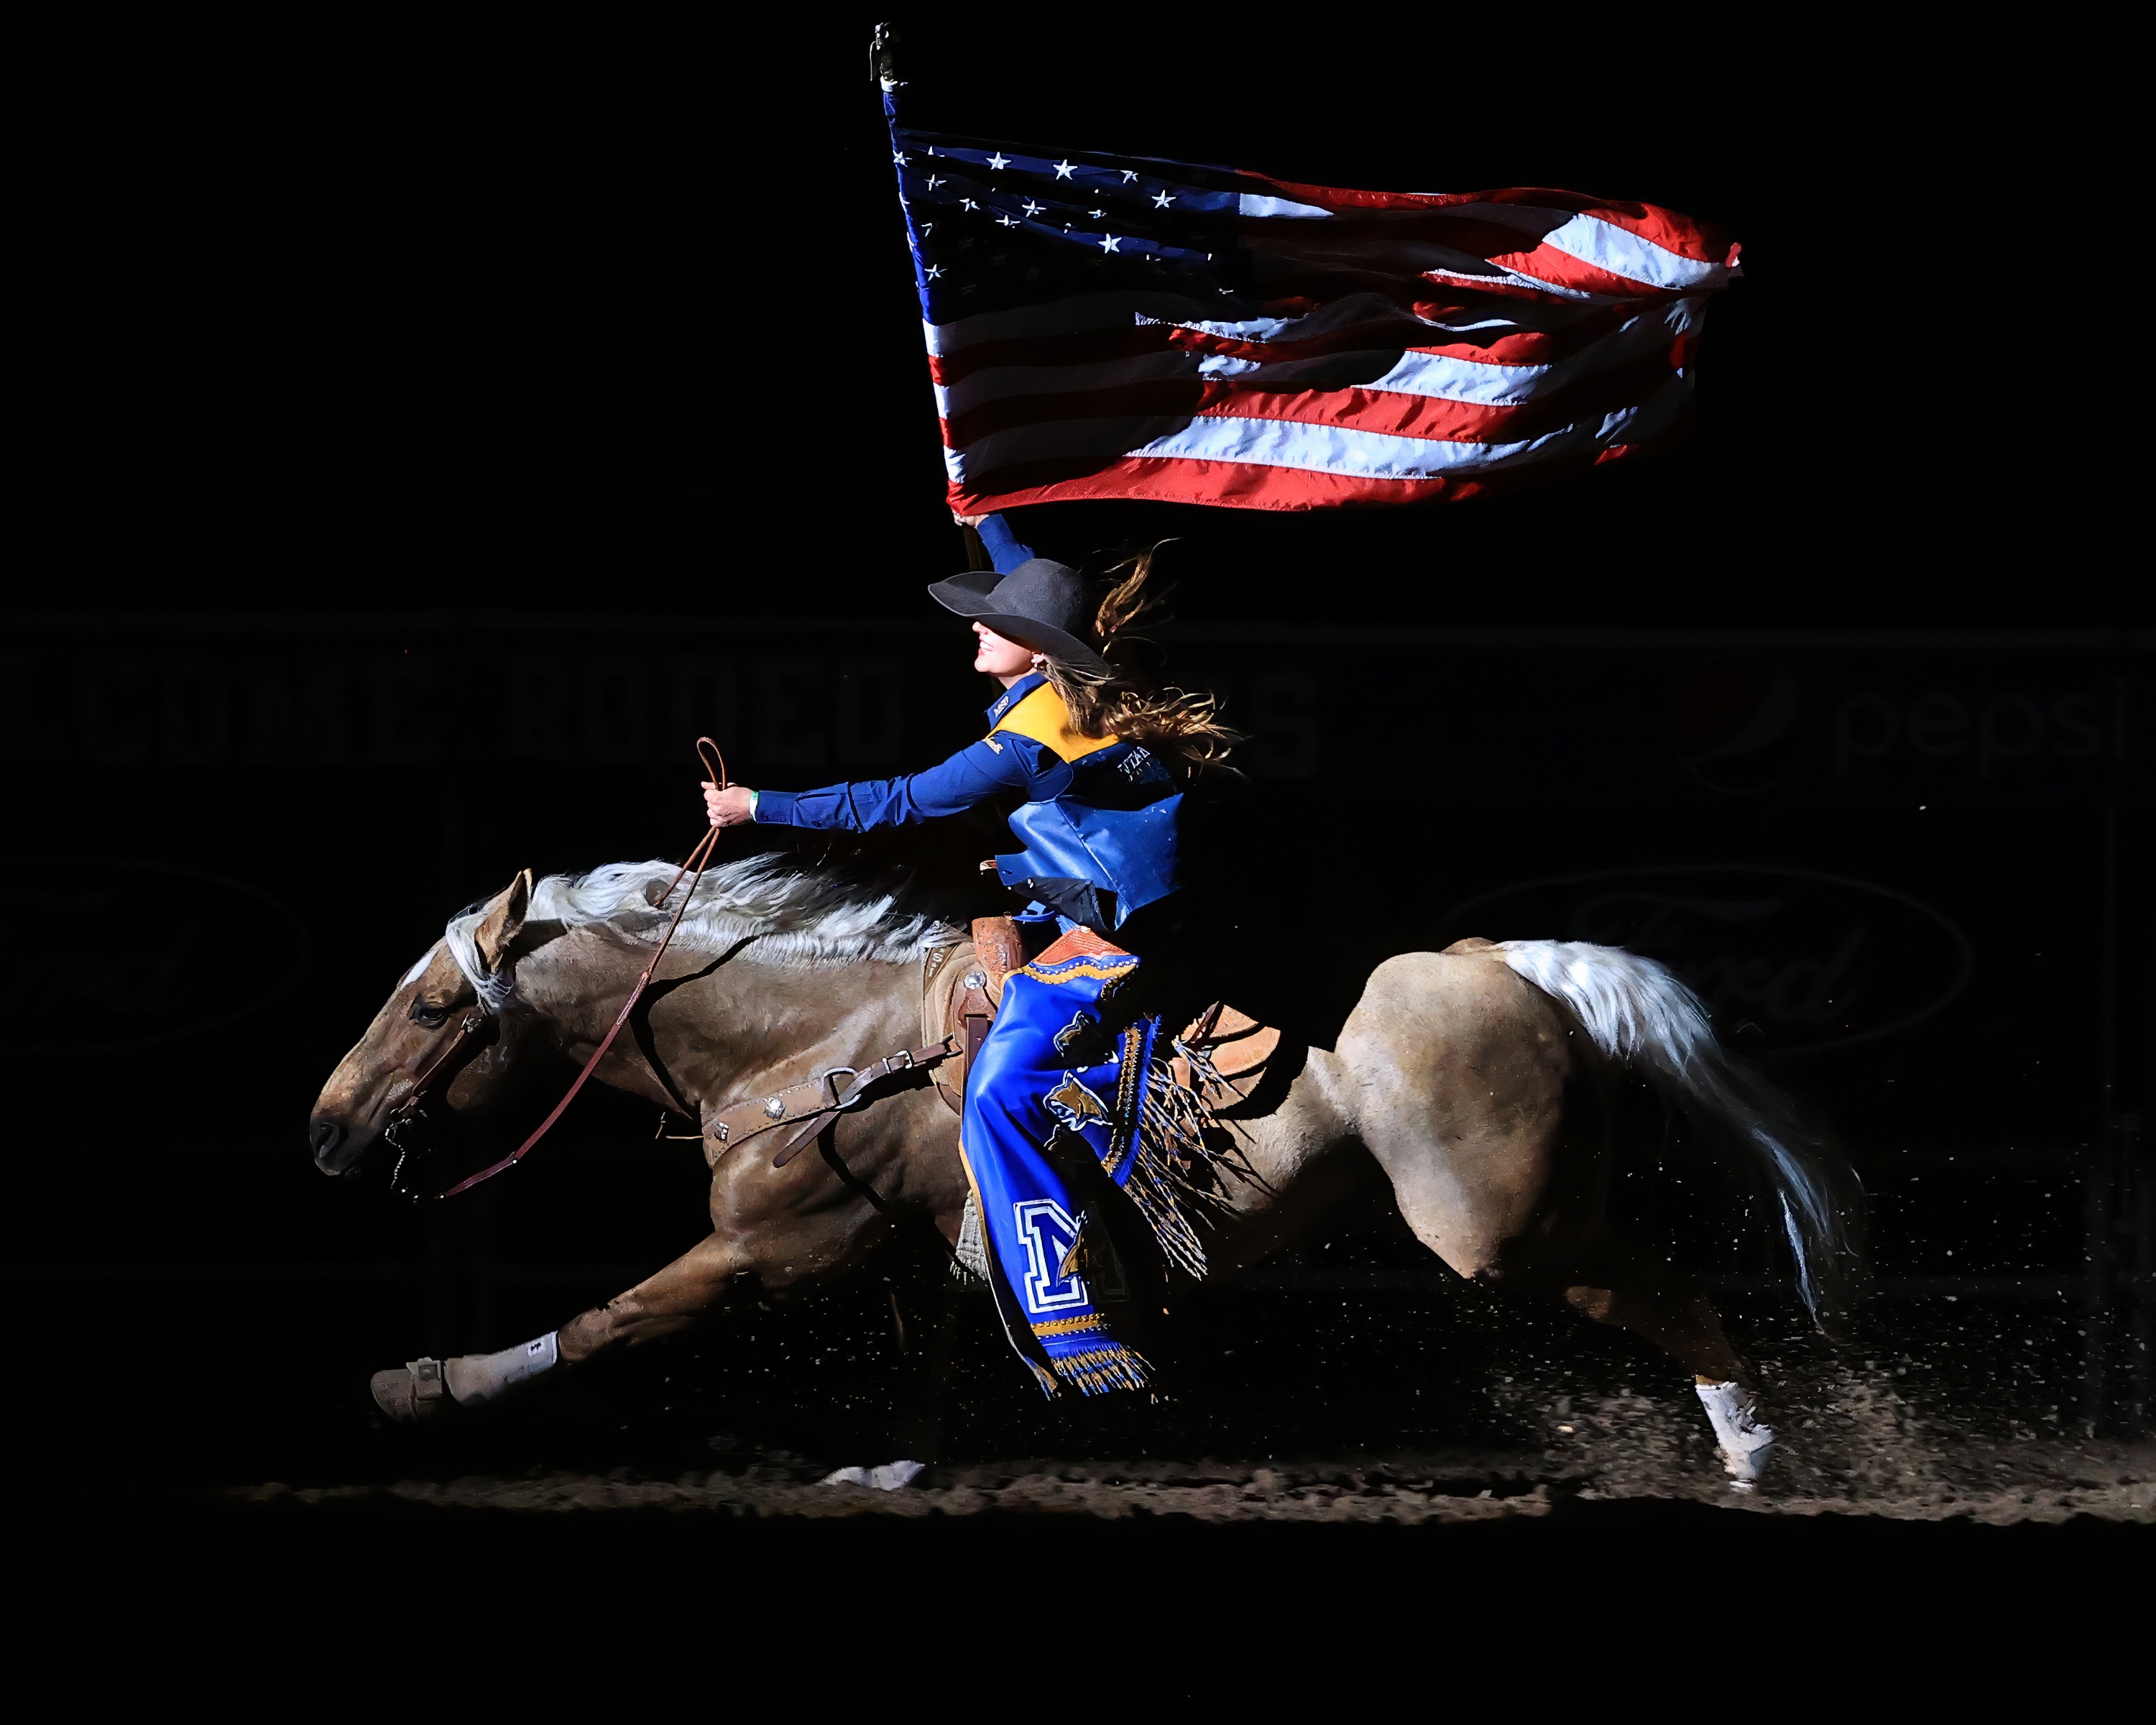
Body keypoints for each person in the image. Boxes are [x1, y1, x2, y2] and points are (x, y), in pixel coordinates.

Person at [702, 517, 1235, 1395]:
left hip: (1114, 940)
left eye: (996, 625)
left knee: (1000, 1089)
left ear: (1033, 648)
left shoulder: (1027, 739)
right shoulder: (1083, 683)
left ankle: (1069, 1309)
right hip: (1155, 908)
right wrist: (984, 513)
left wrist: (758, 806)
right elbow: (1026, 576)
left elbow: (899, 802)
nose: (979, 627)